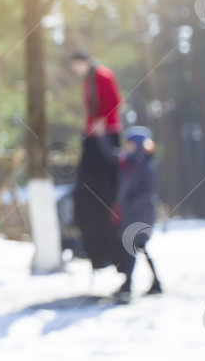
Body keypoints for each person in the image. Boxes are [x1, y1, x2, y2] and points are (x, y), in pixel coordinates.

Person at [70, 47, 123, 270]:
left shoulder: (103, 75)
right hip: (92, 133)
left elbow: (115, 103)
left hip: (107, 133)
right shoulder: (86, 81)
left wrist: (103, 122)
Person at [97, 126, 162, 303]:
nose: (127, 147)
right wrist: (101, 135)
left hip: (142, 215)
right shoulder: (127, 162)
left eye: (130, 144)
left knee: (132, 248)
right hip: (130, 216)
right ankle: (154, 283)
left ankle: (128, 286)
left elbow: (149, 191)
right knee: (137, 248)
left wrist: (133, 204)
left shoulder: (145, 165)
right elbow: (110, 155)